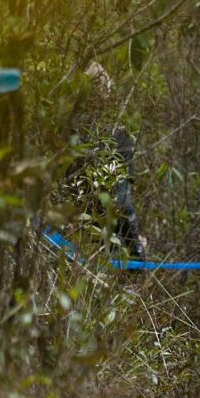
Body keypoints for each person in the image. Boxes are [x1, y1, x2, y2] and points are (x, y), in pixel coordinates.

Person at [63, 62, 146, 259]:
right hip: (98, 238)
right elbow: (123, 201)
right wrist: (136, 249)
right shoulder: (119, 136)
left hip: (70, 233)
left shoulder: (66, 130)